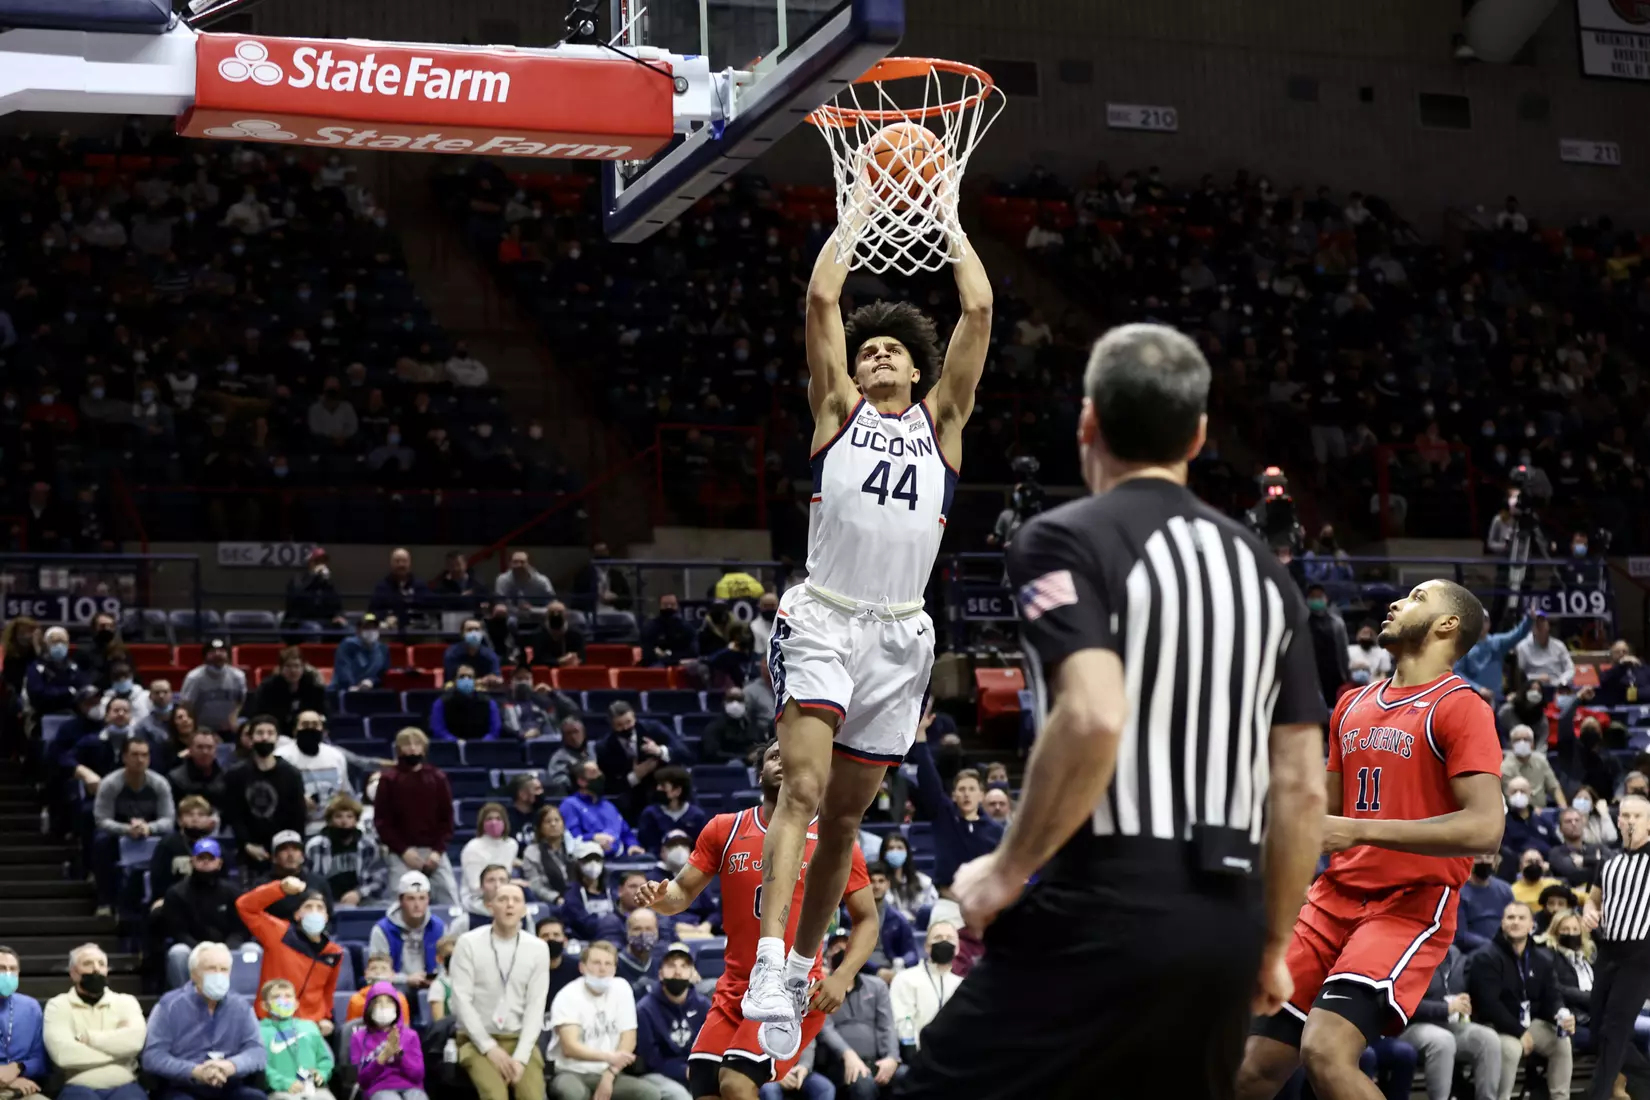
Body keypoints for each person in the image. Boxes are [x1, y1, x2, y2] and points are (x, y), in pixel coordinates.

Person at [898, 325, 1327, 1099]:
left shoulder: (1062, 540)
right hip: (1228, 920)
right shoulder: (1264, 570)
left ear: (1087, 422)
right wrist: (1270, 943)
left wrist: (1006, 868)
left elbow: (1094, 714)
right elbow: (1300, 785)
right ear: (1198, 435)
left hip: (1107, 906)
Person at [746, 229, 992, 1053]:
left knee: (846, 825)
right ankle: (766, 959)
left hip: (901, 635)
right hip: (824, 615)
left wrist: (949, 226)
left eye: (893, 350)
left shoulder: (943, 423)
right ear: (852, 372)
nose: (880, 357)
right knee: (804, 792)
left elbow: (981, 308)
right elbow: (821, 301)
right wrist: (854, 220)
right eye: (869, 351)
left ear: (917, 370)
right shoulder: (835, 411)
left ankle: (797, 969)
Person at [1237, 577, 1503, 1100]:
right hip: (1330, 900)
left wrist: (1356, 829)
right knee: (1251, 1067)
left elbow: (1485, 828)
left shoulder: (1460, 705)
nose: (1397, 603)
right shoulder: (1351, 705)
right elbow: (1324, 818)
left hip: (1407, 905)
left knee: (1325, 1050)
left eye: (1418, 598)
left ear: (1448, 624)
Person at [640, 739, 879, 1094]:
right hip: (736, 985)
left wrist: (842, 976)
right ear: (759, 773)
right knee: (704, 1084)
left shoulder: (833, 842)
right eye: (774, 756)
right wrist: (661, 899)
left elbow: (868, 919)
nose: (785, 760)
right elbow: (682, 894)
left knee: (737, 1083)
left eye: (794, 753)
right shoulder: (725, 828)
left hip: (794, 987)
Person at [448, 881, 552, 1100]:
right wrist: (489, 1048)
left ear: (524, 910)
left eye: (516, 900)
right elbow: (461, 1001)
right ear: (490, 906)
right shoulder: (468, 943)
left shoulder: (538, 948)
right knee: (496, 1096)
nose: (509, 905)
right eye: (503, 899)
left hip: (519, 1038)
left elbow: (536, 1007)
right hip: (475, 1039)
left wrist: (521, 1058)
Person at [1467, 902, 1574, 1100]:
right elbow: (1489, 1005)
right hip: (1495, 1027)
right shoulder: (1485, 957)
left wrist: (1561, 1014)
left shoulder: (1541, 958)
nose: (1515, 922)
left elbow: (1552, 995)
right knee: (1511, 1048)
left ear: (1531, 925)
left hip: (1527, 1025)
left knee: (1561, 1041)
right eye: (1510, 918)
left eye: (1521, 918)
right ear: (1502, 923)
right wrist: (1519, 1032)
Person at [1581, 793, 1650, 1099]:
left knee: (1617, 1027)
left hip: (1641, 953)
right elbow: (1593, 900)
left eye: (1638, 816)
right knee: (1597, 1030)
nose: (1631, 821)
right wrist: (1590, 913)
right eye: (1626, 816)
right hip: (1608, 949)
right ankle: (1645, 1072)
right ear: (1618, 820)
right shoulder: (1609, 860)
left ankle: (1599, 1093)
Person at [141, 941, 267, 1100]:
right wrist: (195, 1071)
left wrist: (231, 1066)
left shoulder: (241, 1007)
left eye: (223, 970)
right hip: (183, 1086)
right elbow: (153, 1056)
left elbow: (257, 1052)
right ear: (194, 974)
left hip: (228, 1084)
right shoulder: (168, 1006)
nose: (218, 975)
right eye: (211, 969)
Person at [541, 940, 654, 1100]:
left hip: (610, 1071)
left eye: (608, 964)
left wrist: (610, 1073)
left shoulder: (622, 988)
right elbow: (570, 1048)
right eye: (596, 963)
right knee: (575, 1094)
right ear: (582, 967)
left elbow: (629, 1038)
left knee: (649, 1094)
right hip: (571, 1071)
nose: (602, 969)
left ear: (615, 969)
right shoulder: (568, 996)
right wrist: (609, 1057)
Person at [236, 876, 346, 1036]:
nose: (314, 912)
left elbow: (327, 994)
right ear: (297, 915)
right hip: (271, 1024)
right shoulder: (278, 933)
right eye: (308, 907)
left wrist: (326, 1018)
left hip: (310, 1028)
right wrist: (279, 888)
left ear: (327, 916)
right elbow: (245, 906)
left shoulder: (334, 952)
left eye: (320, 908)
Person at [1394, 944, 1501, 1100]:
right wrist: (1445, 1008)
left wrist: (1466, 1000)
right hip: (1410, 1027)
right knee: (1443, 1040)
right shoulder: (1408, 954)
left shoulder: (1455, 954)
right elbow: (1403, 1003)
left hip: (1448, 1024)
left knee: (1488, 1039)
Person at [907, 721, 1001, 895]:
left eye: (972, 789)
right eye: (962, 789)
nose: (966, 794)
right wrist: (920, 737)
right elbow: (930, 779)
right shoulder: (945, 817)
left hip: (983, 901)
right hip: (948, 899)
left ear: (981, 795)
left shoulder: (996, 831)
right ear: (953, 795)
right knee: (941, 923)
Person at [45, 944, 144, 1100]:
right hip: (78, 1086)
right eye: (87, 964)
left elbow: (134, 1044)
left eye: (101, 964)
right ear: (73, 973)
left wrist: (89, 1039)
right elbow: (63, 1055)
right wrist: (118, 1055)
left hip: (125, 1085)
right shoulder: (57, 1005)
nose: (96, 969)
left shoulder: (127, 1002)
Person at [375, 727, 460, 907]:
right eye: (407, 745)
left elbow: (447, 820)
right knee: (397, 904)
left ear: (424, 748)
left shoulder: (438, 778)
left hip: (433, 851)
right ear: (399, 749)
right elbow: (382, 823)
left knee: (451, 901)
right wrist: (404, 851)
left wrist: (437, 852)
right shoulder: (388, 780)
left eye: (417, 744)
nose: (412, 748)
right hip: (401, 853)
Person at [91, 736, 176, 912]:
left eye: (144, 755)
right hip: (119, 831)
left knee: (172, 840)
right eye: (135, 755)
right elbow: (101, 819)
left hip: (150, 830)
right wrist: (126, 830)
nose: (140, 760)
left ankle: (165, 898)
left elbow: (168, 820)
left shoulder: (159, 784)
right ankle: (105, 901)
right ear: (124, 758)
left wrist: (149, 828)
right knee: (100, 841)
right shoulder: (110, 784)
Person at [815, 936, 900, 1100]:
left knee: (908, 1077)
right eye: (835, 949)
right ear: (827, 957)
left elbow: (887, 1025)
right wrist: (848, 1055)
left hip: (878, 1061)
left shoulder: (877, 986)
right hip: (841, 1064)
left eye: (846, 947)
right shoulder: (821, 989)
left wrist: (891, 1058)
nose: (841, 952)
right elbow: (826, 1029)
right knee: (862, 1083)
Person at [222, 715, 307, 873]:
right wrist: (246, 844)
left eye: (270, 733)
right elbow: (234, 814)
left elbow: (298, 815)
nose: (265, 737)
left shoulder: (291, 774)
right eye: (260, 733)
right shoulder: (235, 775)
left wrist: (288, 848)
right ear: (250, 738)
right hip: (249, 851)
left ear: (277, 738)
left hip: (285, 851)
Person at [161, 839, 247, 989]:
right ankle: (183, 998)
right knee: (177, 952)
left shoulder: (232, 892)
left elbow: (240, 929)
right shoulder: (176, 893)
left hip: (227, 948)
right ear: (192, 861)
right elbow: (178, 931)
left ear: (219, 863)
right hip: (193, 949)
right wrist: (203, 951)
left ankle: (242, 998)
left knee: (252, 950)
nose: (206, 863)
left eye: (210, 859)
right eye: (201, 858)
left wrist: (225, 948)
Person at [635, 941, 708, 1100]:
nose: (677, 972)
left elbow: (711, 1048)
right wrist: (685, 1071)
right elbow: (651, 1060)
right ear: (660, 972)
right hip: (658, 1074)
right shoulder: (645, 1009)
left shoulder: (704, 1006)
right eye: (671, 965)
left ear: (692, 972)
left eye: (684, 966)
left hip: (698, 1072)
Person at [597, 703, 690, 820]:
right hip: (635, 799)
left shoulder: (653, 728)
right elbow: (609, 785)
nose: (625, 728)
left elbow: (684, 753)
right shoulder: (604, 747)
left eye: (628, 722)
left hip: (665, 787)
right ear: (612, 725)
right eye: (619, 725)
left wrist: (660, 751)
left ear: (634, 718)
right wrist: (635, 776)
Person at [277, 711, 355, 834]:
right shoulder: (282, 757)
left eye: (315, 725)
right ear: (295, 730)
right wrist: (297, 800)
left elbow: (345, 792)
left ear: (323, 730)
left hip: (332, 826)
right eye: (305, 725)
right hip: (294, 828)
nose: (310, 728)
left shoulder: (336, 756)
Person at [888, 923, 960, 1056]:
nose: (944, 941)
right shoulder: (906, 979)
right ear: (927, 947)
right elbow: (902, 1023)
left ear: (957, 948)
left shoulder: (961, 985)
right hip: (919, 1055)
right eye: (938, 938)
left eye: (949, 938)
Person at [258, 978, 336, 1100]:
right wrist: (284, 1083)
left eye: (288, 996)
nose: (283, 1000)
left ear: (296, 1003)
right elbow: (260, 1066)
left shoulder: (310, 1027)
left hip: (314, 1090)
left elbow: (324, 1059)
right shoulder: (259, 1031)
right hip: (279, 1091)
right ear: (264, 1005)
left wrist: (322, 1073)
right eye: (276, 996)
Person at [369, 871, 446, 993]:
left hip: (431, 990)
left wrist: (437, 980)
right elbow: (376, 974)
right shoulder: (382, 930)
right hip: (394, 990)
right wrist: (406, 979)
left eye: (422, 898)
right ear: (400, 900)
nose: (417, 905)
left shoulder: (438, 927)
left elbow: (446, 968)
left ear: (428, 900)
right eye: (411, 899)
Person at [351, 979, 428, 1100]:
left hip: (412, 1088)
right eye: (378, 1002)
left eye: (389, 1002)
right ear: (369, 1007)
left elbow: (418, 1075)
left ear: (397, 1006)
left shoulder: (411, 1035)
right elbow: (363, 1081)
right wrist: (383, 1056)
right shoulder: (359, 1037)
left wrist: (399, 1055)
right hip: (379, 1089)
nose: (383, 1007)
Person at [561, 760, 643, 857]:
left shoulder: (609, 806)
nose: (600, 775)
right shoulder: (570, 805)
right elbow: (572, 837)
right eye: (594, 772)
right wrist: (593, 837)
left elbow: (626, 833)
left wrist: (632, 845)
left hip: (620, 856)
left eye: (599, 771)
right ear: (581, 781)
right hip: (591, 858)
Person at [255, 831, 337, 923]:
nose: (290, 854)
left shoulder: (318, 882)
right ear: (274, 858)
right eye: (284, 849)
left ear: (302, 856)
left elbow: (330, 917)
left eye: (295, 849)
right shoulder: (262, 885)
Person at [1540, 911, 1595, 1048]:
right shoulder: (1549, 955)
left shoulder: (1587, 956)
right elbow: (1555, 988)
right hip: (1572, 1019)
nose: (1571, 934)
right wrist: (1592, 998)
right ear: (1555, 931)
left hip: (1596, 1015)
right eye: (1565, 929)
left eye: (1575, 929)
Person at [0, 947, 45, 1100]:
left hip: (21, 1087)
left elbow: (40, 1059)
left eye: (12, 969)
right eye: (1, 968)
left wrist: (17, 1068)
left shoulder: (30, 1008)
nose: (7, 974)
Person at [461, 803, 520, 912]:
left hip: (504, 896)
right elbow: (475, 887)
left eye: (498, 818)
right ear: (482, 823)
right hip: (477, 899)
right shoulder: (472, 848)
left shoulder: (512, 845)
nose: (494, 822)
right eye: (489, 819)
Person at [178, 640, 247, 734]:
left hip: (230, 730)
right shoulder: (194, 678)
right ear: (205, 656)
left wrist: (234, 718)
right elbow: (186, 706)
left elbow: (241, 702)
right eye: (213, 651)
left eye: (221, 651)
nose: (217, 654)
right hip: (201, 730)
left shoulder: (238, 676)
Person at [637, 766, 708, 855]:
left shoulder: (697, 816)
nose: (658, 789)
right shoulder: (650, 814)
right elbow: (646, 846)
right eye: (658, 785)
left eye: (663, 786)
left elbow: (701, 848)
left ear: (677, 791)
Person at [865, 864, 918, 980]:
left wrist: (902, 962)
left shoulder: (898, 919)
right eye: (872, 881)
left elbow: (911, 952)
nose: (877, 886)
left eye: (881, 881)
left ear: (888, 884)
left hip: (891, 969)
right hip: (861, 972)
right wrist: (876, 970)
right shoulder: (849, 916)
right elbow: (845, 953)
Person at [1457, 855, 1516, 952]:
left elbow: (1514, 918)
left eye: (1488, 857)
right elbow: (1461, 935)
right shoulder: (1459, 893)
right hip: (1473, 952)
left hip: (1506, 947)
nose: (1484, 861)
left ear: (1494, 861)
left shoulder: (1505, 889)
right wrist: (1492, 945)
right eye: (1478, 858)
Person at [431, 665, 502, 742]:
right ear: (454, 681)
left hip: (482, 748)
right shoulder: (441, 702)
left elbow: (495, 730)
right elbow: (438, 730)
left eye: (470, 677)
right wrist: (456, 742)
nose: (466, 679)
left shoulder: (488, 702)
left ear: (475, 682)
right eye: (462, 677)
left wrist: (481, 743)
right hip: (450, 748)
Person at [1502, 724, 1565, 809]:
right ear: (1511, 744)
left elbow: (1554, 787)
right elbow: (1510, 798)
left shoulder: (1540, 760)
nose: (1522, 743)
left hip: (1542, 811)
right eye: (1517, 740)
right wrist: (1533, 810)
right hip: (1517, 812)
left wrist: (1564, 809)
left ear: (1533, 744)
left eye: (1526, 739)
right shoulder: (1505, 766)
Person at [522, 804, 575, 904]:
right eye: (548, 821)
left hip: (576, 898)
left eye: (557, 820)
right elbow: (535, 886)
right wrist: (556, 898)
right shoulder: (532, 852)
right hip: (550, 902)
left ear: (563, 825)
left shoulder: (574, 848)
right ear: (540, 828)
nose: (553, 824)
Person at [878, 835, 936, 923]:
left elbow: (931, 908)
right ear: (884, 853)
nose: (895, 852)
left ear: (907, 852)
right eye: (891, 848)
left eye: (900, 848)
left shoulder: (923, 881)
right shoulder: (877, 882)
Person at [701, 686, 764, 765]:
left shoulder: (751, 727)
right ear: (724, 703)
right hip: (723, 770)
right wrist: (745, 757)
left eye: (739, 700)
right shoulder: (713, 728)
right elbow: (711, 753)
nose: (735, 704)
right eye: (731, 699)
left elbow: (759, 745)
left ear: (744, 703)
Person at [332, 614, 392, 695]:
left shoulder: (383, 649)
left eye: (373, 627)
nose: (371, 631)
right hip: (345, 690)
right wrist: (351, 685)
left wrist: (371, 681)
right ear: (358, 630)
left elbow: (382, 673)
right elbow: (343, 669)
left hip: (371, 691)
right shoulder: (347, 645)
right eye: (366, 627)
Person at [169, 728, 228, 809]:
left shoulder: (227, 778)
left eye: (209, 747)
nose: (205, 752)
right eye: (200, 747)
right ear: (190, 750)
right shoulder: (175, 779)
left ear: (216, 751)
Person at [1515, 612, 1575, 691]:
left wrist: (1561, 682)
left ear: (1548, 625)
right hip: (1532, 690)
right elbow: (1518, 675)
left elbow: (1570, 669)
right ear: (1530, 627)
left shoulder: (1559, 645)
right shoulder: (1522, 647)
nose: (1539, 626)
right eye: (1536, 623)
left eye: (1542, 621)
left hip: (1557, 687)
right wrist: (1535, 679)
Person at [1502, 779, 1558, 865]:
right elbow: (1505, 851)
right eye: (1514, 792)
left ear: (1530, 793)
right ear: (1508, 795)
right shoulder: (1504, 823)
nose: (1518, 794)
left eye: (1522, 791)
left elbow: (1556, 845)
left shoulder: (1542, 820)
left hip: (1547, 866)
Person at [617, 909, 666, 991]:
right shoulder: (616, 963)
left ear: (657, 932)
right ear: (627, 932)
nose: (643, 934)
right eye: (637, 929)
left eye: (649, 929)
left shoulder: (664, 960)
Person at [640, 596, 695, 668]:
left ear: (677, 606)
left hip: (681, 662)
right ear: (660, 606)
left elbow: (693, 651)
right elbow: (648, 653)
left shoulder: (687, 628)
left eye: (672, 605)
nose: (669, 607)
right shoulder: (650, 627)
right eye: (665, 605)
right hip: (657, 663)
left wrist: (671, 656)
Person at [548, 718, 594, 798]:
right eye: (568, 733)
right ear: (563, 737)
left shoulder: (594, 749)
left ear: (583, 733)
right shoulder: (559, 758)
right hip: (575, 797)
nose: (573, 736)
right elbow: (559, 783)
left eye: (576, 732)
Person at [1346, 621, 1393, 686]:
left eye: (1369, 633)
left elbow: (1384, 674)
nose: (1366, 636)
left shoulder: (1382, 652)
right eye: (1364, 633)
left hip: (1374, 686)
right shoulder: (1350, 650)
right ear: (1358, 634)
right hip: (1352, 686)